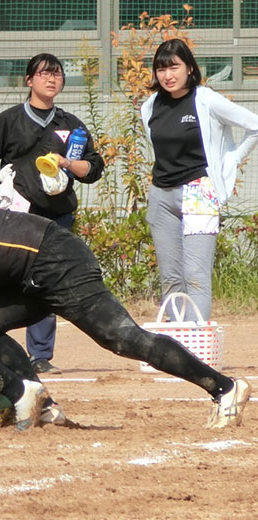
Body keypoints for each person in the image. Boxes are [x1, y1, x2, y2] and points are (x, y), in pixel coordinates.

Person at [0, 158, 251, 429]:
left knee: (123, 338)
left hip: (54, 260)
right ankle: (41, 404)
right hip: (34, 267)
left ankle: (225, 388)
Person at [0, 53, 104, 374]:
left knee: (47, 283)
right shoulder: (10, 120)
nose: (51, 79)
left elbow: (94, 166)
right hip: (13, 216)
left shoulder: (71, 125)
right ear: (29, 80)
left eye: (57, 74)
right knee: (0, 275)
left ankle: (40, 355)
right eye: (44, 74)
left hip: (55, 219)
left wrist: (70, 164)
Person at [141, 39, 258, 321]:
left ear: (190, 68)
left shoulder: (206, 100)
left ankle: (195, 341)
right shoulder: (150, 106)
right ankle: (176, 339)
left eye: (174, 67)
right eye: (161, 69)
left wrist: (231, 160)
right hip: (161, 195)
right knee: (170, 276)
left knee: (195, 275)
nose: (167, 75)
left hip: (199, 191)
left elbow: (254, 126)